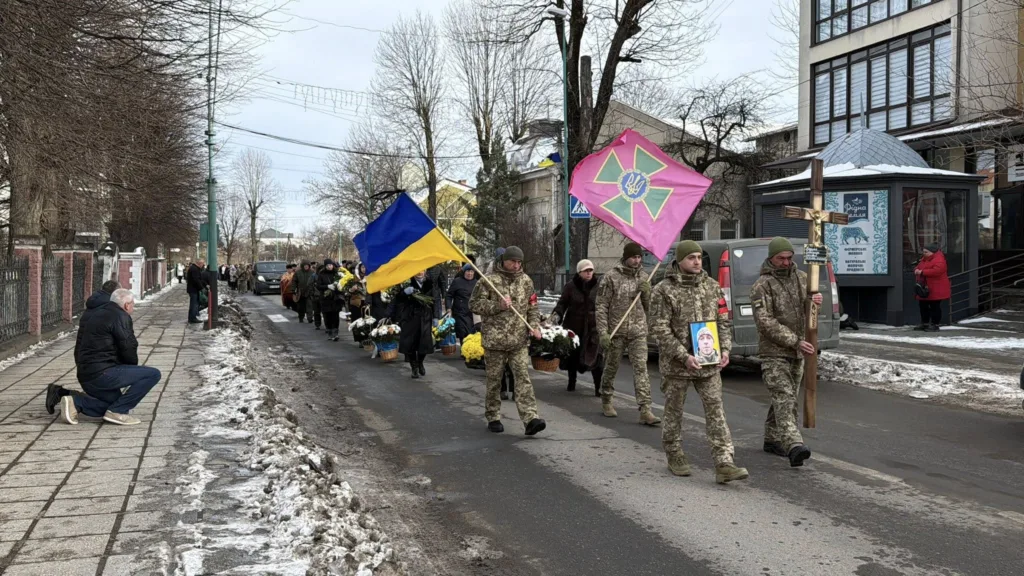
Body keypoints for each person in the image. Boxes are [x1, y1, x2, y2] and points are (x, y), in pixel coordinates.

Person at [649, 240, 748, 484]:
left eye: (699, 257)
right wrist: (683, 356)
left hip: (708, 363)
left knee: (716, 411)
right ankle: (674, 453)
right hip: (677, 365)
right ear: (680, 260)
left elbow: (723, 321)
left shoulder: (712, 287)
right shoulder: (663, 290)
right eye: (691, 257)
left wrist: (725, 349)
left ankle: (724, 462)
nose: (696, 262)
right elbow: (659, 328)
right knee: (674, 412)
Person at [750, 237, 823, 468]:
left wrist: (815, 302)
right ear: (771, 258)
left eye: (789, 257)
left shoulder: (802, 278)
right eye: (780, 258)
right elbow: (765, 322)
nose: (785, 262)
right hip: (774, 352)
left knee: (786, 397)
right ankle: (793, 444)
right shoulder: (762, 285)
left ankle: (772, 439)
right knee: (784, 396)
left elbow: (809, 313)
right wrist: (794, 341)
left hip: (798, 352)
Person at [469, 246, 546, 436]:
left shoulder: (526, 281)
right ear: (504, 260)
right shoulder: (489, 280)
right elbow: (474, 304)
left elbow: (532, 306)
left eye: (519, 262)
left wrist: (534, 326)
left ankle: (530, 418)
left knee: (522, 377)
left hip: (518, 340)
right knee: (494, 380)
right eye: (513, 261)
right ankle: (493, 415)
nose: (516, 265)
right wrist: (498, 305)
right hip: (495, 340)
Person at [54, 289, 161, 426]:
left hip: (86, 374)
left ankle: (76, 402)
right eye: (133, 304)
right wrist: (129, 371)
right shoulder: (121, 316)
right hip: (102, 374)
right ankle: (117, 412)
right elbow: (128, 347)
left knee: (116, 403)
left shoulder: (98, 312)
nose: (133, 307)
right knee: (153, 374)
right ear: (127, 305)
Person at [595, 242, 660, 426]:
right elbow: (601, 306)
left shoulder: (644, 277)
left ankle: (645, 409)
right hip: (616, 330)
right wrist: (603, 332)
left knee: (641, 369)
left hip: (638, 331)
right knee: (611, 366)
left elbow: (650, 308)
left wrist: (647, 293)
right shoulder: (611, 277)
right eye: (633, 257)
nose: (637, 261)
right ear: (625, 258)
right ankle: (606, 397)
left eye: (639, 257)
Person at [550, 259, 603, 394]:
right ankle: (571, 382)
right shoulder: (571, 286)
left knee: (596, 358)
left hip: (593, 328)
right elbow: (562, 303)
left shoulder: (599, 286)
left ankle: (598, 387)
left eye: (590, 270)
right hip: (574, 326)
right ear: (579, 272)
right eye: (586, 271)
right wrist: (556, 316)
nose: (589, 273)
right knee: (573, 357)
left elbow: (605, 304)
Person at [391, 271, 434, 378]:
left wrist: (437, 316)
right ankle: (414, 366)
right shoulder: (407, 282)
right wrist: (404, 293)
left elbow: (436, 299)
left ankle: (420, 362)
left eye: (422, 270)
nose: (420, 272)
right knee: (410, 344)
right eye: (417, 271)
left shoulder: (430, 283)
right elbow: (397, 299)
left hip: (425, 317)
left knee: (424, 343)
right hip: (410, 317)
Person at [914, 243, 950, 331]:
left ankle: (935, 324)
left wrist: (922, 272)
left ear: (932, 252)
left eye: (926, 252)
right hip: (924, 287)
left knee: (934, 306)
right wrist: (916, 270)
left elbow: (937, 271)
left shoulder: (939, 259)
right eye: (923, 252)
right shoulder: (924, 259)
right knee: (923, 305)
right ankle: (925, 323)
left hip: (936, 287)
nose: (924, 253)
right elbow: (918, 267)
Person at [446, 265, 478, 343]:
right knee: (462, 333)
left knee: (471, 334)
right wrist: (449, 308)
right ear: (464, 272)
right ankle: (463, 348)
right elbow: (449, 295)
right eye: (468, 271)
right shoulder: (457, 281)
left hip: (472, 313)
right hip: (459, 313)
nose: (470, 273)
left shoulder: (477, 283)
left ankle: (468, 349)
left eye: (472, 271)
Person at [317, 260, 343, 340]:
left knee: (335, 316)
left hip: (335, 298)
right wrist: (327, 286)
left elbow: (342, 283)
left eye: (330, 265)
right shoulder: (321, 274)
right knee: (327, 316)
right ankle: (330, 331)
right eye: (328, 265)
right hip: (325, 299)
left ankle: (335, 333)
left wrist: (338, 287)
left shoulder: (337, 273)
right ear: (325, 266)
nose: (329, 267)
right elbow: (318, 286)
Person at [186, 259, 207, 324]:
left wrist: (204, 284)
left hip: (193, 289)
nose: (203, 265)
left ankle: (193, 317)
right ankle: (192, 318)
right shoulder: (195, 269)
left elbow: (198, 279)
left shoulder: (194, 268)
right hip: (193, 289)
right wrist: (202, 288)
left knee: (194, 303)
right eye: (202, 264)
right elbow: (196, 280)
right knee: (194, 304)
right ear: (199, 263)